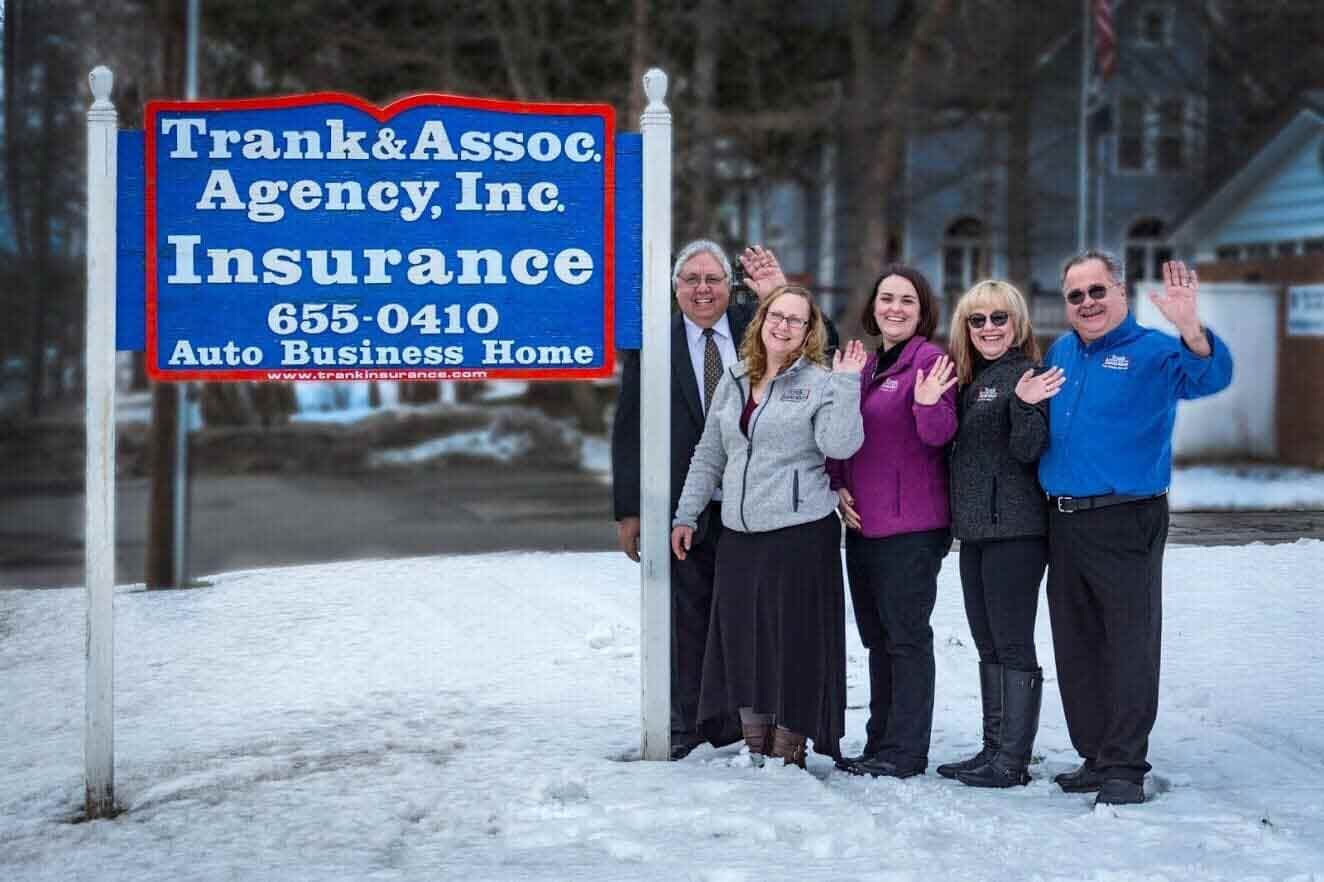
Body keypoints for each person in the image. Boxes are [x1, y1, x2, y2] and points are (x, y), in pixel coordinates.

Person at [1041, 251, 1233, 806]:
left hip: (1127, 517)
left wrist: (1190, 326)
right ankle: (1095, 755)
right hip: (1064, 520)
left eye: (1097, 291)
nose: (1087, 303)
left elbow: (1208, 376)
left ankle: (1125, 765)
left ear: (1121, 294)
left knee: (1128, 643)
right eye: (1076, 295)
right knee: (1077, 643)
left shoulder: (1153, 351)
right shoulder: (1061, 351)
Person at [670, 286, 866, 767]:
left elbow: (841, 446)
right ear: (761, 321)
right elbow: (710, 453)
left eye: (796, 320)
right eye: (776, 315)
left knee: (792, 642)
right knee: (744, 640)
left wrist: (846, 386)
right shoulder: (735, 379)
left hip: (799, 534)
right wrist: (686, 513)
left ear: (808, 332)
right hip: (740, 535)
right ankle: (756, 739)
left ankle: (788, 744)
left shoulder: (821, 383)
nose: (783, 325)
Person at [611, 239, 753, 759]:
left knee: (742, 614)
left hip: (750, 503)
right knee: (686, 617)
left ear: (729, 286)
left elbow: (819, 342)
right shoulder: (654, 344)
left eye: (712, 279)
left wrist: (777, 287)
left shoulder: (757, 328)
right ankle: (689, 720)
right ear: (675, 289)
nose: (702, 289)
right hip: (680, 508)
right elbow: (629, 428)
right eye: (690, 279)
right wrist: (629, 509)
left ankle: (740, 717)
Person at [828, 265, 957, 778]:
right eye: (887, 298)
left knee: (905, 639)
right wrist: (837, 483)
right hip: (862, 525)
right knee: (876, 639)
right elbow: (842, 432)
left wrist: (927, 406)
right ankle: (879, 741)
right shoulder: (865, 364)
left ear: (922, 310)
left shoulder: (930, 360)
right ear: (873, 306)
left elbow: (941, 434)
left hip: (911, 529)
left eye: (907, 300)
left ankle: (906, 750)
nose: (895, 308)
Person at [936, 280, 1065, 788]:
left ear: (1018, 324)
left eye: (998, 318)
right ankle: (992, 749)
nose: (988, 327)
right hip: (976, 532)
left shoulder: (1027, 375)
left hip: (1016, 532)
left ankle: (1013, 760)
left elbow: (1029, 449)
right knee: (986, 641)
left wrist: (1025, 404)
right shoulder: (971, 379)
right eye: (977, 319)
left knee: (1012, 643)